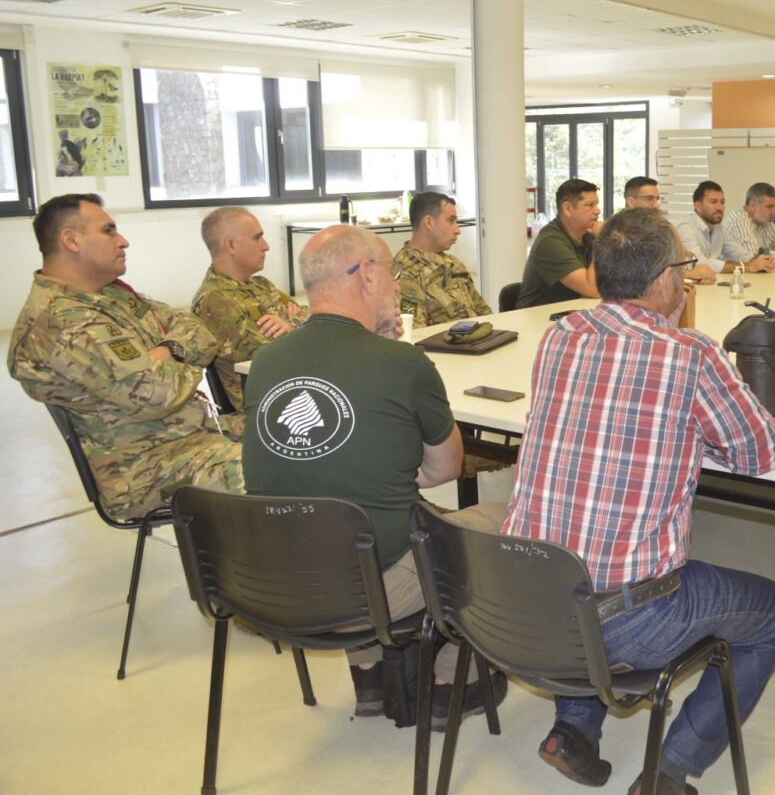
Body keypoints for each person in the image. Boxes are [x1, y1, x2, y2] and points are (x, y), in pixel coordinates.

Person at [504, 208, 775, 795]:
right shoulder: (690, 354)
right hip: (630, 619)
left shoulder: (559, 335)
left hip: (528, 594)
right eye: (682, 270)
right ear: (665, 278)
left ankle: (573, 730)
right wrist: (683, 334)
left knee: (578, 546)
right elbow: (759, 453)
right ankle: (670, 771)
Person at [242, 224, 507, 722]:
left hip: (276, 581)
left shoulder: (265, 361)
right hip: (369, 588)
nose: (396, 284)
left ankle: (370, 676)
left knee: (336, 514)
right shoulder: (403, 364)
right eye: (391, 272)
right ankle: (453, 679)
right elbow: (444, 470)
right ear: (365, 276)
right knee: (508, 523)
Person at [8, 194, 243, 518]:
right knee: (281, 470)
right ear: (71, 241)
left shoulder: (109, 294)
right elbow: (158, 394)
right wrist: (177, 358)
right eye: (108, 231)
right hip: (146, 469)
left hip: (192, 434)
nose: (124, 241)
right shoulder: (63, 322)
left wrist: (168, 351)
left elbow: (195, 327)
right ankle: (265, 565)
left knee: (308, 434)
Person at [192, 207, 308, 411]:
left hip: (295, 386)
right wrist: (296, 325)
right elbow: (284, 353)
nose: (266, 246)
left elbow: (307, 315)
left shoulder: (261, 285)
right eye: (257, 238)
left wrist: (293, 324)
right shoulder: (216, 301)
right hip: (270, 403)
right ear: (231, 245)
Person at [395, 191, 491, 327]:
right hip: (445, 347)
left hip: (476, 342)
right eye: (450, 220)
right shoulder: (407, 274)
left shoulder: (453, 264)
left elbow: (484, 314)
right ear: (429, 222)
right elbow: (415, 335)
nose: (458, 230)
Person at [519, 178, 601, 308]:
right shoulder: (549, 242)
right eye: (590, 205)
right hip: (538, 319)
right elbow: (593, 289)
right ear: (567, 209)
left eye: (596, 204)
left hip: (573, 312)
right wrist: (603, 241)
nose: (597, 211)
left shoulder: (588, 235)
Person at [674, 180, 775, 274]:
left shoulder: (718, 228)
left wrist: (763, 260)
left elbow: (738, 253)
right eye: (713, 202)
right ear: (698, 206)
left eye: (722, 202)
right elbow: (698, 263)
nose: (720, 207)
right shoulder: (686, 228)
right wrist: (747, 267)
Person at [721, 182, 775, 266]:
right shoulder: (739, 221)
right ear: (752, 205)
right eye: (769, 207)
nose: (774, 212)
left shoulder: (766, 223)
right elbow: (755, 257)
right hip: (731, 277)